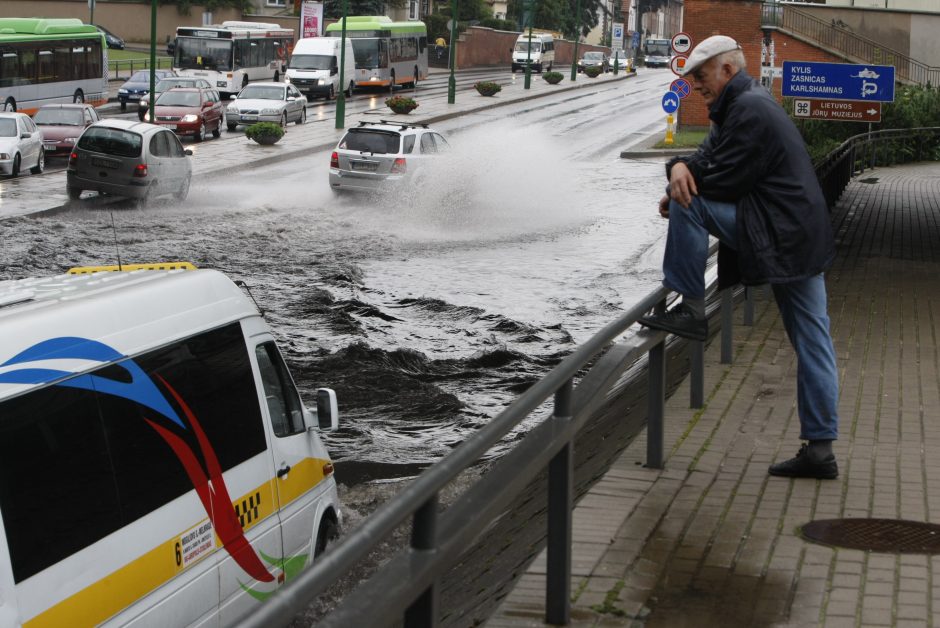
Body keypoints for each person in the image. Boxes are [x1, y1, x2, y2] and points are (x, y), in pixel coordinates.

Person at [637, 35, 840, 480]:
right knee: (813, 343)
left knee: (689, 204)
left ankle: (690, 310)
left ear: (727, 70)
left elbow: (723, 179)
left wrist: (680, 187)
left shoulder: (747, 110)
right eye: (690, 77)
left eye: (701, 75)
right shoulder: (743, 103)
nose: (695, 85)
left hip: (783, 234)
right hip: (796, 235)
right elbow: (705, 160)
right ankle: (821, 450)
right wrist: (677, 168)